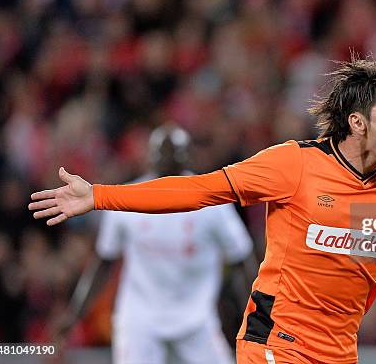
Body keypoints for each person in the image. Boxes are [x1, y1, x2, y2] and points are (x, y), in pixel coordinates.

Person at [30, 57, 376, 364]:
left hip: (340, 348)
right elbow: (198, 190)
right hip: (278, 339)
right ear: (358, 121)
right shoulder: (292, 165)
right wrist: (100, 196)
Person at [55, 125, 256, 364]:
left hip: (196, 321)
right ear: (150, 157)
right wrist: (75, 313)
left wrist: (256, 313)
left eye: (175, 154)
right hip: (139, 321)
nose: (168, 161)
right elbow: (103, 263)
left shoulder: (214, 205)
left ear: (187, 157)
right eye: (163, 154)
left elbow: (241, 260)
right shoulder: (125, 200)